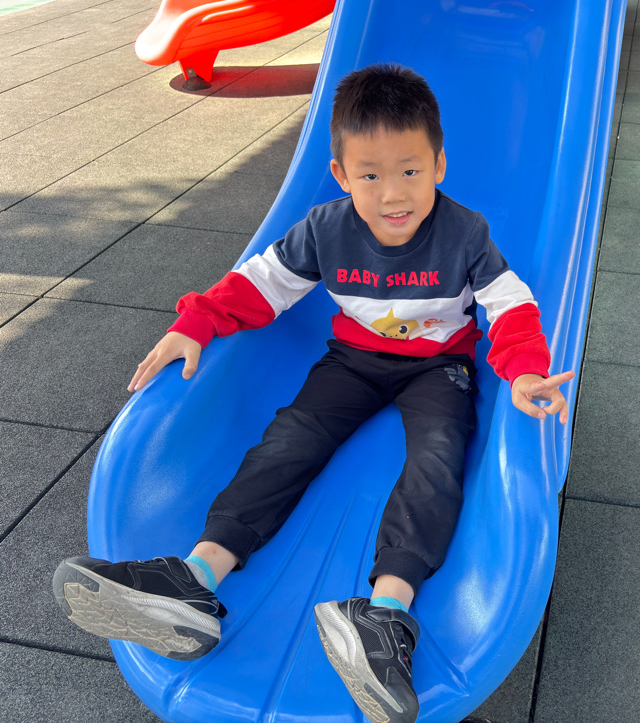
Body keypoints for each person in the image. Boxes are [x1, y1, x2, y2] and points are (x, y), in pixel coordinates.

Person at [52, 63, 574, 723]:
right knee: (290, 440)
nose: (393, 194)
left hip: (438, 365)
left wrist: (523, 369)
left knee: (438, 457)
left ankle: (385, 614)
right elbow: (259, 284)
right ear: (341, 175)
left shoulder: (464, 234)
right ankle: (196, 578)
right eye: (370, 176)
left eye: (411, 170)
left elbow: (511, 305)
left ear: (439, 166)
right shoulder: (326, 229)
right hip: (353, 360)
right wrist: (196, 323)